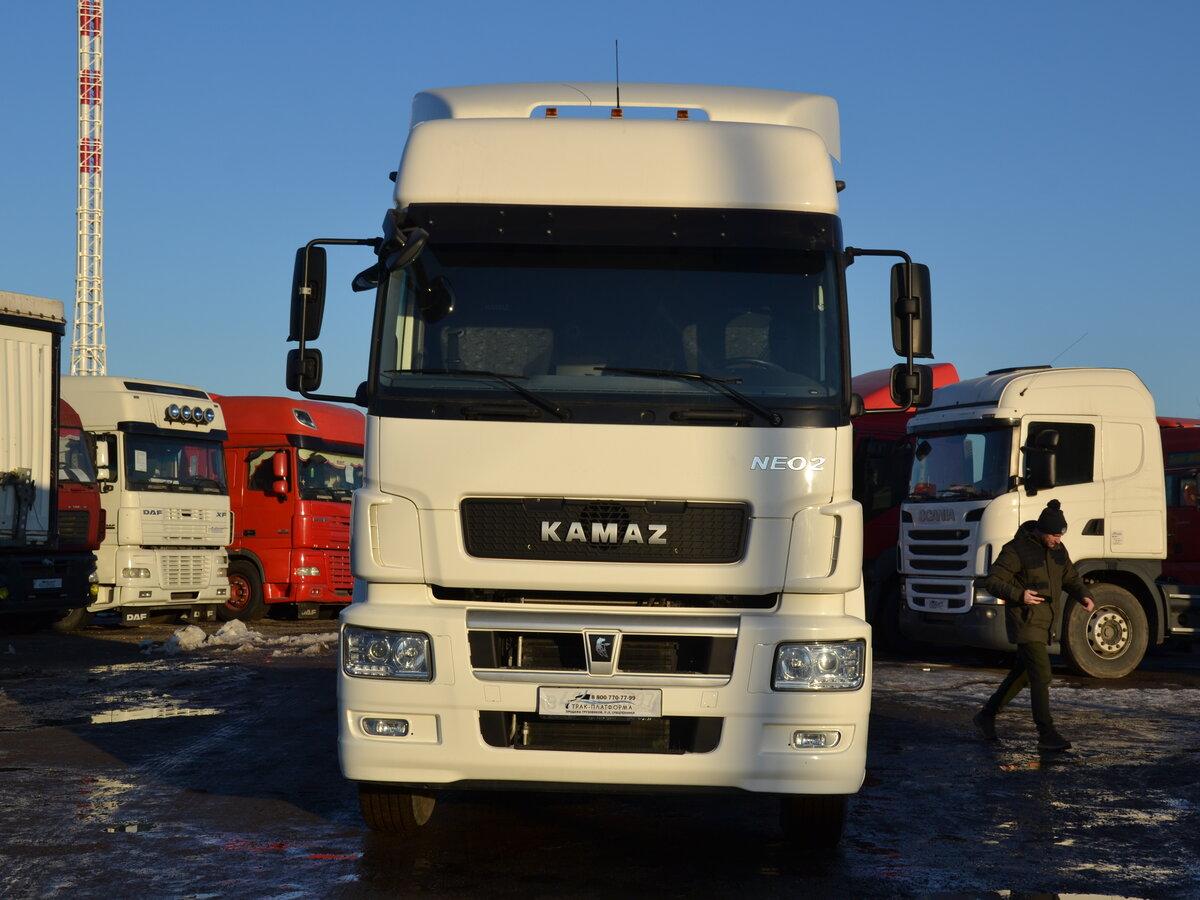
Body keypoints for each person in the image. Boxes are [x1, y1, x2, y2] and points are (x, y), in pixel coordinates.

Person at [972, 499, 1095, 752]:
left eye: (1060, 535)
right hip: (1025, 619)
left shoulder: (1058, 549)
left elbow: (1070, 577)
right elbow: (992, 581)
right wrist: (1020, 595)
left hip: (1045, 620)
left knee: (1024, 673)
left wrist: (1083, 595)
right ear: (1041, 530)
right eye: (1054, 535)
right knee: (1041, 673)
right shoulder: (1016, 549)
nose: (1058, 540)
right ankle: (1046, 733)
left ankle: (986, 715)